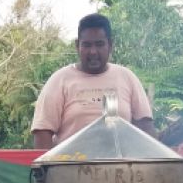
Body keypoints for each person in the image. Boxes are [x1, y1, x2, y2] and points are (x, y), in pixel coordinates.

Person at [31, 14, 154, 149]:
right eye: (87, 45)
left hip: (121, 168)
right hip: (71, 167)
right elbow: (42, 131)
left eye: (100, 44)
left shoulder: (126, 78)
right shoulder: (60, 80)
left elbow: (145, 127)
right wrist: (47, 169)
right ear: (77, 46)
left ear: (110, 45)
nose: (93, 52)